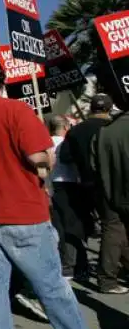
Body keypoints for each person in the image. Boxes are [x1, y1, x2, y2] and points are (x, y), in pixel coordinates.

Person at [0, 60, 124, 329]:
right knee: (51, 287)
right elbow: (37, 157)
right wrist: (47, 159)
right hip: (23, 213)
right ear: (3, 82)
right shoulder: (17, 111)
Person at [62, 94, 128, 294]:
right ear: (109, 108)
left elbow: (67, 157)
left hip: (92, 185)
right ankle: (107, 276)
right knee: (114, 230)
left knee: (114, 228)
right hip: (114, 184)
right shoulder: (109, 128)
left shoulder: (78, 131)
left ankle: (113, 271)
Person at [92, 88, 129, 295]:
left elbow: (93, 164)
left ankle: (107, 278)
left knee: (113, 235)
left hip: (110, 192)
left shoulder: (106, 132)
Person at [48, 115, 89, 281]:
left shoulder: (46, 143)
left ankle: (69, 262)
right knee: (73, 227)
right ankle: (75, 264)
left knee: (59, 228)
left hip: (52, 188)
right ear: (65, 127)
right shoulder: (68, 143)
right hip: (69, 185)